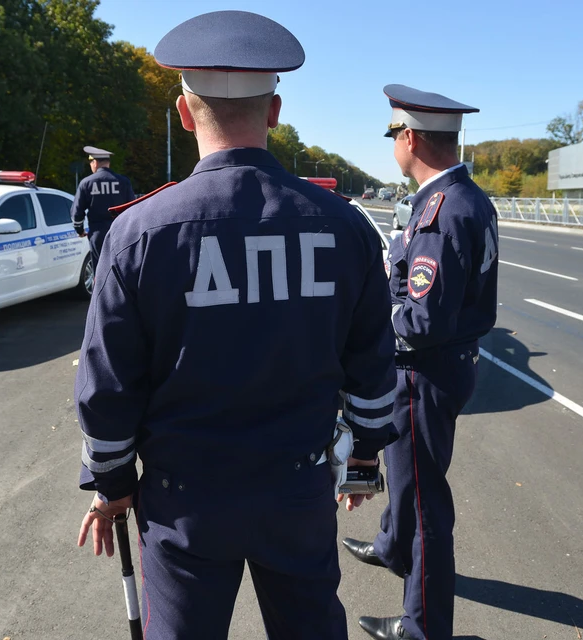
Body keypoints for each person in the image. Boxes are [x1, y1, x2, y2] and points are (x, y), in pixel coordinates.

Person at [74, 11, 398, 639]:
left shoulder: (138, 232)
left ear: (184, 112)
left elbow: (107, 384)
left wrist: (112, 484)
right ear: (274, 112)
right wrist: (361, 455)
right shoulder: (344, 225)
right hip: (298, 488)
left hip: (183, 499)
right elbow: (373, 364)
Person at [342, 85, 499, 640]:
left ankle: (424, 627)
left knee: (427, 504)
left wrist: (369, 315)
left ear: (409, 138)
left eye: (394, 135)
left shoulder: (440, 210)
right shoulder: (465, 197)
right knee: (409, 484)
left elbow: (420, 320)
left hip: (423, 372)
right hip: (445, 365)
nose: (394, 145)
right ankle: (390, 544)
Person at [70, 146, 135, 268]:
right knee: (121, 268)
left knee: (101, 270)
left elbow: (77, 212)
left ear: (94, 162)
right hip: (121, 232)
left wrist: (80, 230)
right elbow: (132, 207)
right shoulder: (123, 181)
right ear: (108, 163)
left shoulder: (87, 183)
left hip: (98, 234)